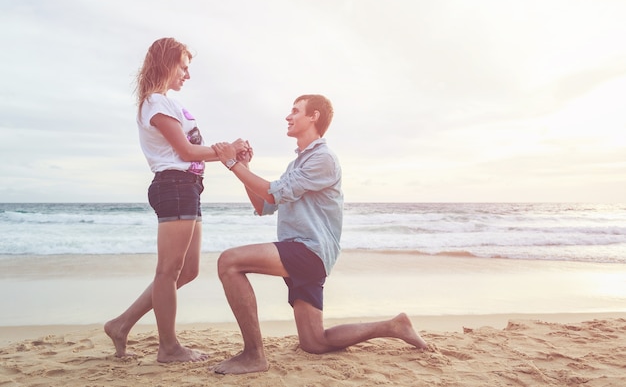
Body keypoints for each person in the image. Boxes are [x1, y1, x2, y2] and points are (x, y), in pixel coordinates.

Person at [210, 94, 428, 375]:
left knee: (229, 261)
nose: (288, 117)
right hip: (304, 252)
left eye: (295, 111)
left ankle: (254, 355)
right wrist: (244, 167)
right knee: (315, 342)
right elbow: (264, 204)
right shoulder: (298, 164)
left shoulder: (323, 158)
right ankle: (393, 326)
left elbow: (271, 192)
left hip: (308, 251)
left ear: (314, 116)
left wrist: (231, 163)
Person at [104, 37, 247, 363]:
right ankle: (168, 348)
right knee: (168, 271)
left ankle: (121, 323)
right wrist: (228, 151)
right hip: (174, 185)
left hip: (189, 186)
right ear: (166, 63)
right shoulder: (155, 103)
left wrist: (229, 153)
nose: (187, 74)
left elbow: (192, 149)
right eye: (183, 66)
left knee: (188, 271)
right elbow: (184, 152)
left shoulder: (168, 103)